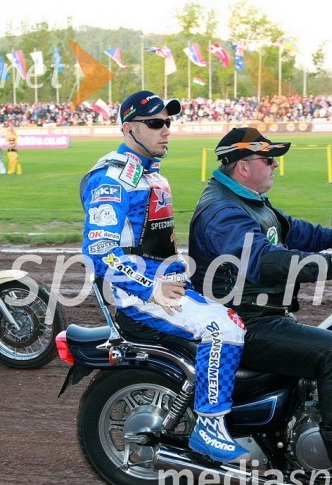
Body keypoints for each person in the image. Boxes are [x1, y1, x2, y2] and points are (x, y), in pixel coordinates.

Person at [188, 127, 332, 485]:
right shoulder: (222, 212)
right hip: (243, 321)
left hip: (263, 313)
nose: (274, 166)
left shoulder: (247, 200)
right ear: (242, 167)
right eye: (268, 159)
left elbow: (290, 230)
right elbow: (268, 261)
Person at [80, 90, 248, 463]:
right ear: (128, 129)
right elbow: (99, 253)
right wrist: (149, 286)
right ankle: (209, 426)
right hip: (136, 296)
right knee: (226, 328)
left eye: (168, 123)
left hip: (165, 285)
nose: (165, 130)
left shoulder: (149, 175)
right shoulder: (112, 179)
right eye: (155, 123)